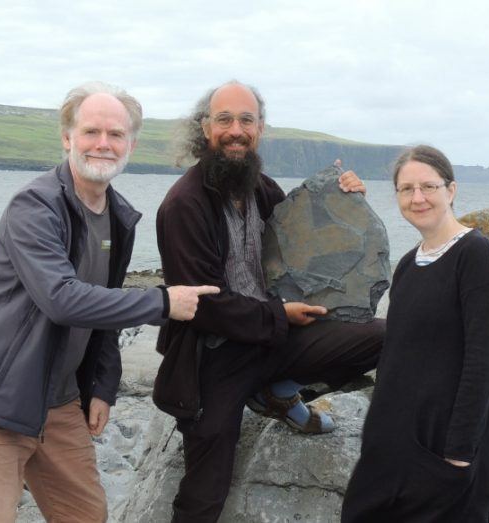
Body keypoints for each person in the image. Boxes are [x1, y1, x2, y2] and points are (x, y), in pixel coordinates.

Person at [0, 81, 218, 523]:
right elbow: (62, 300)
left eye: (116, 134)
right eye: (91, 132)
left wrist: (103, 386)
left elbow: (103, 308)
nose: (103, 144)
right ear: (67, 138)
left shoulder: (117, 216)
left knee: (86, 515)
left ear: (131, 143)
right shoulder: (35, 206)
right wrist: (162, 302)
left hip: (59, 401)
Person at [153, 80, 385, 523]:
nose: (236, 130)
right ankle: (265, 391)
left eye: (246, 120)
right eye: (224, 119)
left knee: (381, 337)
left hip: (273, 339)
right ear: (205, 128)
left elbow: (305, 239)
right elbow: (204, 305)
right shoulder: (183, 204)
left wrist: (346, 198)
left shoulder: (260, 187)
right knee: (205, 492)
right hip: (214, 359)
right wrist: (279, 315)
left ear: (260, 129)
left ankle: (277, 392)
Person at [341, 145, 489, 522]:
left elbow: (483, 362)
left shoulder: (477, 256)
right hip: (403, 438)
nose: (417, 198)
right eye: (407, 189)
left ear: (450, 190)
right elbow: (398, 357)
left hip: (457, 442)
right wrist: (378, 440)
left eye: (428, 187)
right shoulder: (407, 265)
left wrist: (459, 453)